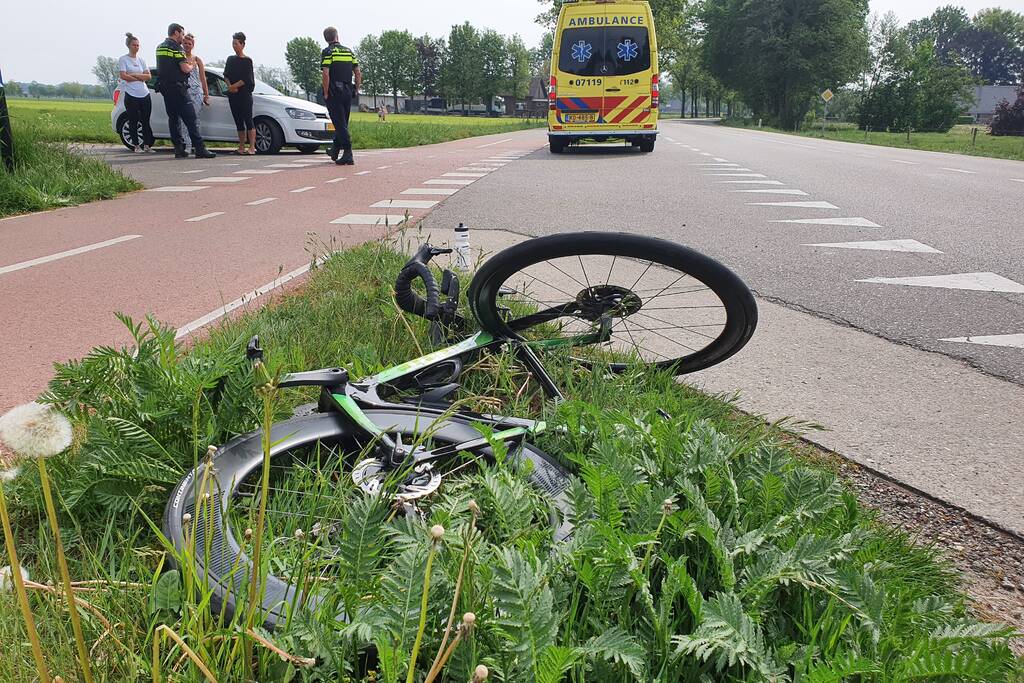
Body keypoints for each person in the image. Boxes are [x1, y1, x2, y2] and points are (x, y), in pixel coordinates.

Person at [155, 23, 215, 158]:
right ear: (176, 33)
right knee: (191, 118)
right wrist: (192, 64)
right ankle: (200, 148)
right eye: (181, 34)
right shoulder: (176, 48)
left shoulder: (160, 47)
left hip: (165, 88)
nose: (182, 37)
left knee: (173, 119)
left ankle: (178, 148)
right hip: (179, 89)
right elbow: (185, 68)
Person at [321, 26, 361, 165]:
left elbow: (325, 73)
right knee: (343, 122)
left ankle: (348, 152)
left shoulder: (328, 52)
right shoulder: (349, 51)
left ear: (326, 39)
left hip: (334, 91)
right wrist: (356, 88)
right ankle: (335, 149)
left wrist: (325, 92)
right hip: (348, 90)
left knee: (339, 123)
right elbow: (357, 72)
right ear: (337, 36)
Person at [118, 33, 155, 153]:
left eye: (138, 45)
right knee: (133, 120)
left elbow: (148, 76)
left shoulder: (141, 60)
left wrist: (134, 75)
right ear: (129, 46)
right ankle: (136, 145)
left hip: (144, 94)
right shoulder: (123, 59)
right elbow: (124, 76)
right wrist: (138, 78)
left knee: (145, 120)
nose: (136, 47)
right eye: (134, 45)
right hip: (131, 94)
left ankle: (147, 145)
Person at [178, 33, 210, 155]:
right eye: (185, 43)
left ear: (193, 45)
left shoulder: (197, 60)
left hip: (197, 93)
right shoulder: (180, 57)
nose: (187, 45)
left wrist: (206, 95)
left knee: (195, 120)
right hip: (184, 92)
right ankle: (187, 145)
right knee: (184, 120)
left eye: (189, 43)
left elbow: (203, 78)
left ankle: (198, 145)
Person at [224, 32, 256, 154]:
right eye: (233, 43)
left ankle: (252, 146)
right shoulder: (230, 59)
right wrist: (229, 87)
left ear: (242, 44)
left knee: (248, 119)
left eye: (236, 43)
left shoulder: (247, 61)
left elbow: (247, 79)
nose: (234, 46)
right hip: (233, 95)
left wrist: (234, 86)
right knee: (238, 120)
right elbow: (226, 75)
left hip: (245, 95)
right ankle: (241, 146)